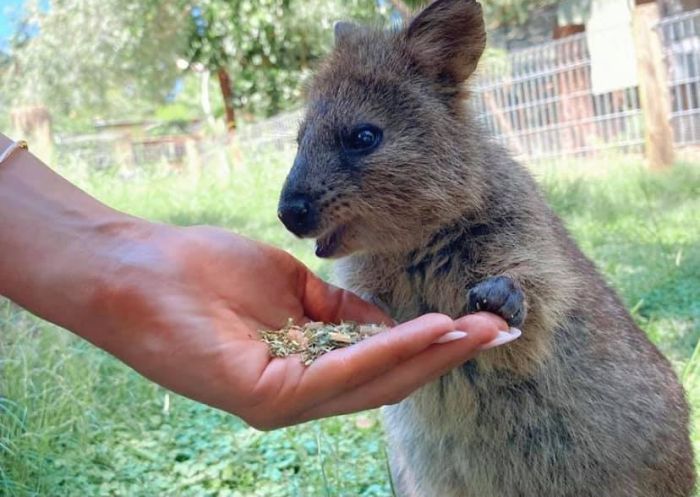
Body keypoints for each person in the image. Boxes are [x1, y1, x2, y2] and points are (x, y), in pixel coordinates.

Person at [0, 133, 519, 430]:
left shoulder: (498, 206)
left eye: (361, 141)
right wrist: (125, 265)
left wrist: (127, 256)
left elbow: (537, 283)